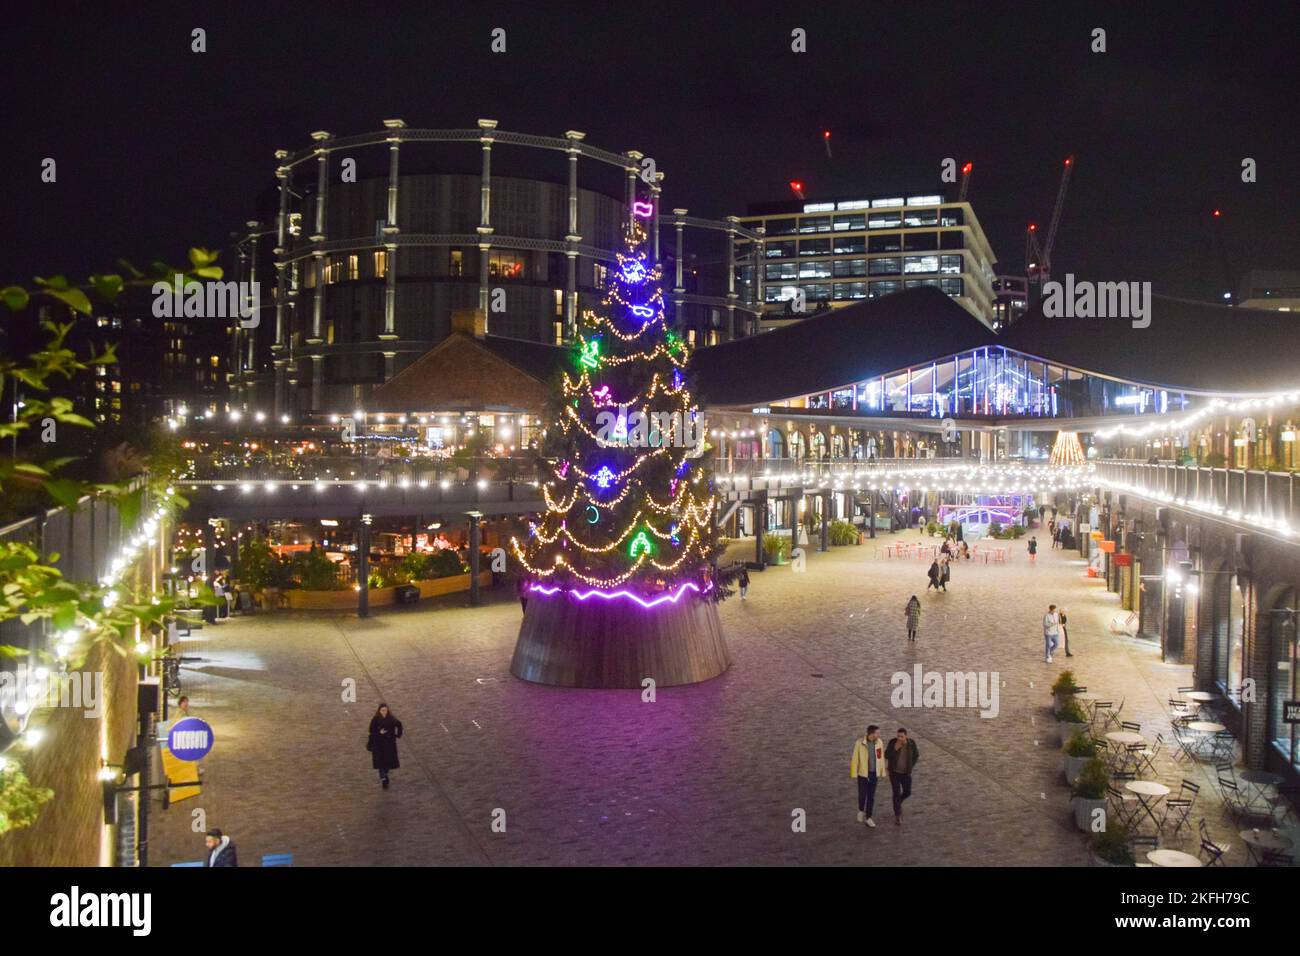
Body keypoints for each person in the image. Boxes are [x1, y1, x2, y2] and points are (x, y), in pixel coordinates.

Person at [849, 725, 887, 827]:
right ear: (872, 733)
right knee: (862, 794)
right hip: (863, 774)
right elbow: (855, 758)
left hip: (874, 773)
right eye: (877, 733)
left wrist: (882, 772)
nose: (879, 735)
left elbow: (881, 758)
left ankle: (869, 817)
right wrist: (854, 773)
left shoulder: (879, 742)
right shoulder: (860, 743)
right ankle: (861, 810)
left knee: (871, 796)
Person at [885, 728, 920, 826]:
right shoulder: (893, 743)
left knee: (907, 791)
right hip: (894, 773)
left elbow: (916, 755)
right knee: (896, 793)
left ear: (906, 736)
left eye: (901, 736)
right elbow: (886, 755)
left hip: (905, 773)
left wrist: (910, 766)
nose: (899, 738)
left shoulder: (911, 743)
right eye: (898, 736)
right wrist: (895, 748)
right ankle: (898, 815)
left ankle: (898, 802)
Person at [367, 703, 403, 789]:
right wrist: (379, 732)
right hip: (378, 745)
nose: (384, 712)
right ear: (379, 711)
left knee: (387, 763)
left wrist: (398, 734)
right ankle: (383, 779)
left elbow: (399, 724)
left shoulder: (391, 718)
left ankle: (385, 775)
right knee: (380, 763)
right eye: (382, 710)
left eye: (385, 710)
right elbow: (371, 731)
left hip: (389, 744)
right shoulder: (375, 719)